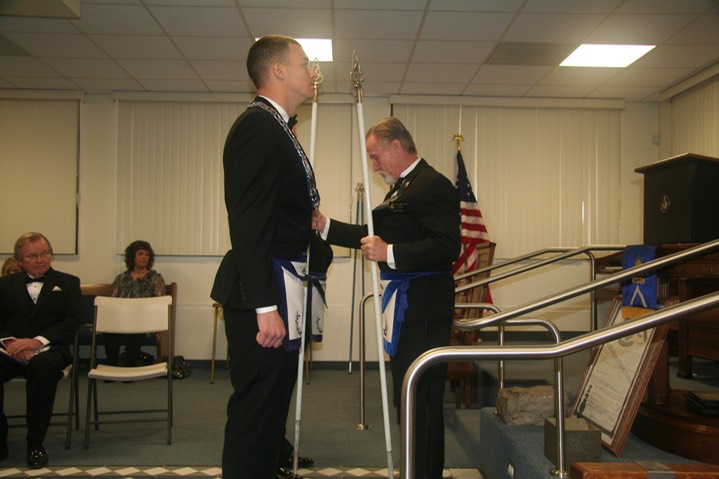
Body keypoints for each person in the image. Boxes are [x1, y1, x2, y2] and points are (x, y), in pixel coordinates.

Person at [313, 117, 461, 479]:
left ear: (397, 146)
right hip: (409, 306)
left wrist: (389, 253)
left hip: (425, 307)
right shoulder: (403, 187)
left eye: (376, 157)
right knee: (407, 397)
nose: (374, 166)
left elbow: (448, 246)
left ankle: (425, 473)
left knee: (422, 399)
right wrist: (325, 226)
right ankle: (415, 469)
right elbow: (373, 235)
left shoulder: (432, 184)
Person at [210, 34, 321, 479]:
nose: (313, 71)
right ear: (277, 70)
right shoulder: (257, 126)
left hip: (282, 282)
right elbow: (248, 221)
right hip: (263, 291)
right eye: (305, 63)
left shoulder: (279, 127)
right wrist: (265, 306)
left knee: (272, 411)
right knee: (256, 415)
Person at [0, 232, 83, 468]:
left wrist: (36, 342)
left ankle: (35, 442)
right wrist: (10, 343)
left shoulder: (69, 283)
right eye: (33, 255)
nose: (40, 259)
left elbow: (72, 322)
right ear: (19, 260)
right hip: (10, 350)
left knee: (43, 368)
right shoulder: (4, 285)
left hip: (51, 349)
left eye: (45, 253)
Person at [104, 240, 166, 367]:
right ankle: (111, 367)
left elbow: (160, 302)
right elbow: (111, 300)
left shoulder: (155, 278)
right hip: (120, 318)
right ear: (132, 256)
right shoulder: (121, 278)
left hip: (143, 319)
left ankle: (129, 366)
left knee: (135, 329)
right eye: (140, 254)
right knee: (108, 331)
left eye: (147, 255)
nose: (144, 257)